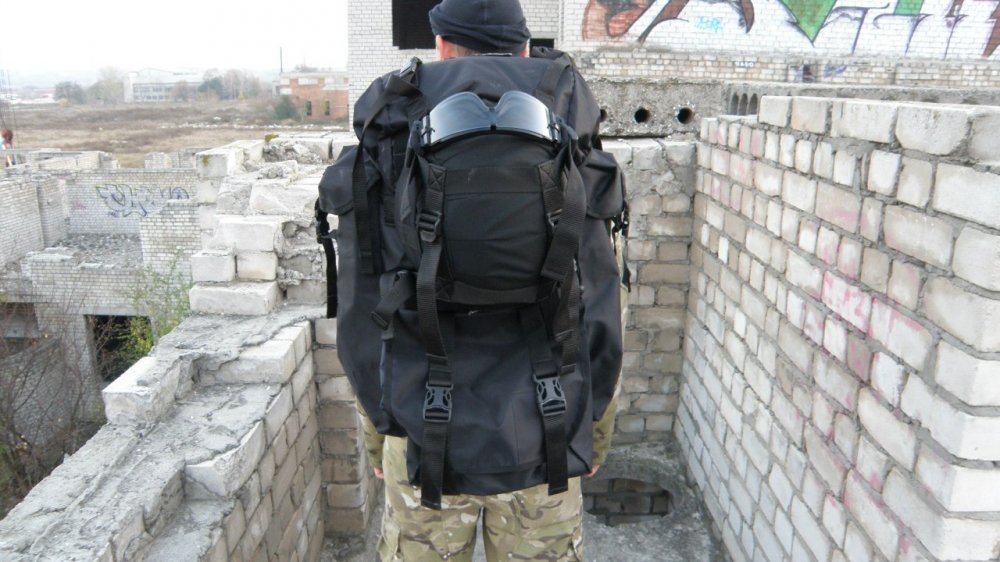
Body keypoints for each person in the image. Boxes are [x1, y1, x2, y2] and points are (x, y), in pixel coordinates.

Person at [335, 1, 626, 560]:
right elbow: (602, 299)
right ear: (525, 50)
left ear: (442, 46)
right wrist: (592, 430)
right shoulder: (563, 120)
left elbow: (362, 302)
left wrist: (380, 430)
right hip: (548, 428)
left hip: (421, 433)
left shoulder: (396, 121)